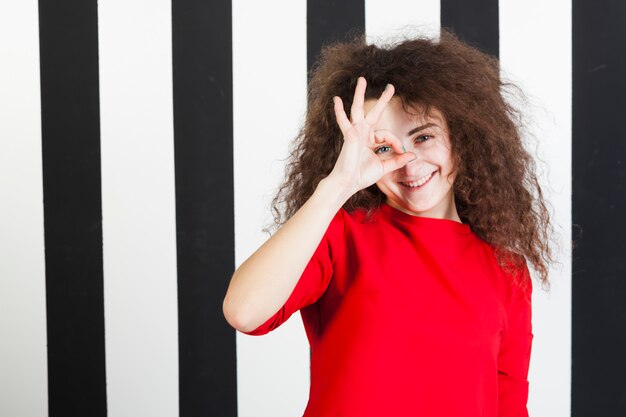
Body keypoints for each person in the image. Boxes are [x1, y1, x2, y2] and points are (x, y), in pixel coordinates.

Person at [223, 30, 554, 417]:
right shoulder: (342, 235)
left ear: (462, 138)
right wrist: (338, 185)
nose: (407, 162)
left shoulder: (506, 270)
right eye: (383, 147)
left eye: (424, 136)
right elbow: (244, 312)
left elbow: (508, 406)